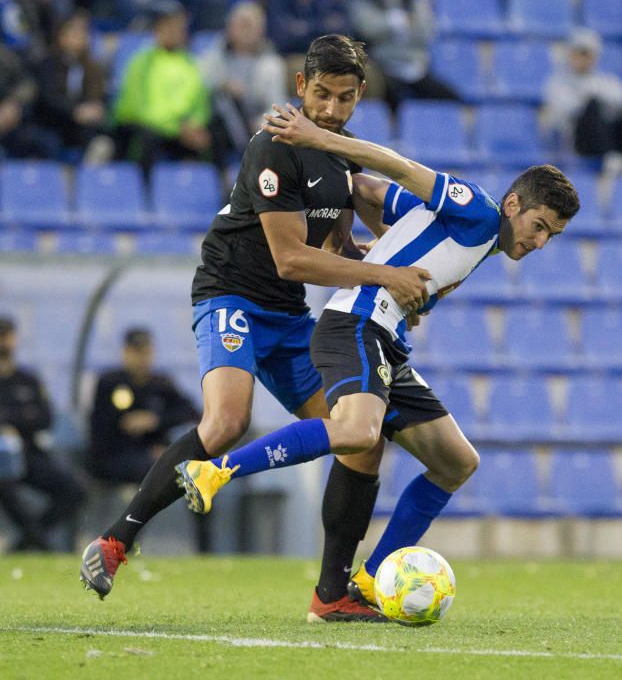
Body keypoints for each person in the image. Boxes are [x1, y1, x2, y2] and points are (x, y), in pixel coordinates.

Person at [173, 101, 580, 621]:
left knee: (457, 461)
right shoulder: (476, 209)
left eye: (553, 236)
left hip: (387, 340)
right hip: (354, 326)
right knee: (357, 433)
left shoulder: (483, 244)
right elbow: (398, 169)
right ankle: (216, 472)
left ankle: (370, 576)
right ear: (514, 203)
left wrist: (377, 252)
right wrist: (321, 141)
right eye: (540, 225)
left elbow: (365, 190)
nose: (540, 241)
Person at [79, 35, 430, 624]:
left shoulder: (342, 152)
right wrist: (384, 273)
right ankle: (114, 542)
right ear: (300, 87)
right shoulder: (274, 146)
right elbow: (293, 257)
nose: (331, 110)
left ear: (359, 95)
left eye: (345, 98)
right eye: (321, 94)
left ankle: (331, 594)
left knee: (359, 440)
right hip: (231, 294)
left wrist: (375, 260)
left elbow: (332, 244)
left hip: (287, 311)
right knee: (226, 422)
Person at [0, 316, 86, 552]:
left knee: (74, 489)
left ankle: (28, 541)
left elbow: (44, 418)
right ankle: (39, 542)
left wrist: (12, 425)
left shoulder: (28, 380)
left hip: (26, 454)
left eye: (7, 335)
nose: (4, 342)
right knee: (4, 484)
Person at [112, 0, 215, 175]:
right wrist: (177, 129)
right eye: (171, 27)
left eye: (180, 27)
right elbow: (138, 109)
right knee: (147, 138)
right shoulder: (142, 63)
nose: (177, 32)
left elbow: (201, 103)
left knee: (212, 136)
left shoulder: (191, 64)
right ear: (158, 29)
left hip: (181, 129)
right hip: (146, 127)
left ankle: (224, 191)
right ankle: (146, 195)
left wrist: (195, 125)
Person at [86, 328, 199, 485]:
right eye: (137, 352)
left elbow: (191, 412)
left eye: (147, 352)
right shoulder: (109, 383)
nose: (142, 358)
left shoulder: (161, 384)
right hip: (115, 457)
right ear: (125, 353)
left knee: (197, 471)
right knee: (160, 468)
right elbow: (103, 432)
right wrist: (148, 452)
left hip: (155, 454)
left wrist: (156, 420)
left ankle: (201, 509)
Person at [346, 0, 458, 112]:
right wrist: (397, 22)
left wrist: (387, 29)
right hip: (382, 67)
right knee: (393, 99)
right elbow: (367, 28)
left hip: (414, 68)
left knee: (451, 100)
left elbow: (426, 31)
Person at [198, 1, 288, 155]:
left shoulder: (272, 64)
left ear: (261, 30)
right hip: (218, 129)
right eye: (241, 24)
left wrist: (261, 123)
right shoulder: (213, 57)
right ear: (230, 27)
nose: (246, 31)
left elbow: (278, 106)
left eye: (250, 25)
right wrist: (222, 84)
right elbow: (200, 85)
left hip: (254, 128)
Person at [542, 28, 622, 171]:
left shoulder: (605, 81)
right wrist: (589, 99)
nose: (583, 58)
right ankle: (609, 156)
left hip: (609, 134)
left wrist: (591, 96)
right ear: (570, 54)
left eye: (587, 54)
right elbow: (566, 109)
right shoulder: (557, 83)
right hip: (579, 141)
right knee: (593, 106)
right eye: (579, 53)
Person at [33, 9, 113, 164]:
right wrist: (75, 111)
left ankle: (90, 177)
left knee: (103, 139)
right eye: (74, 32)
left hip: (81, 126)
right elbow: (48, 98)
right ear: (61, 37)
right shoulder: (47, 64)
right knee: (47, 140)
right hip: (52, 122)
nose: (80, 37)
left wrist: (97, 108)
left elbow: (100, 97)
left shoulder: (93, 68)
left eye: (83, 33)